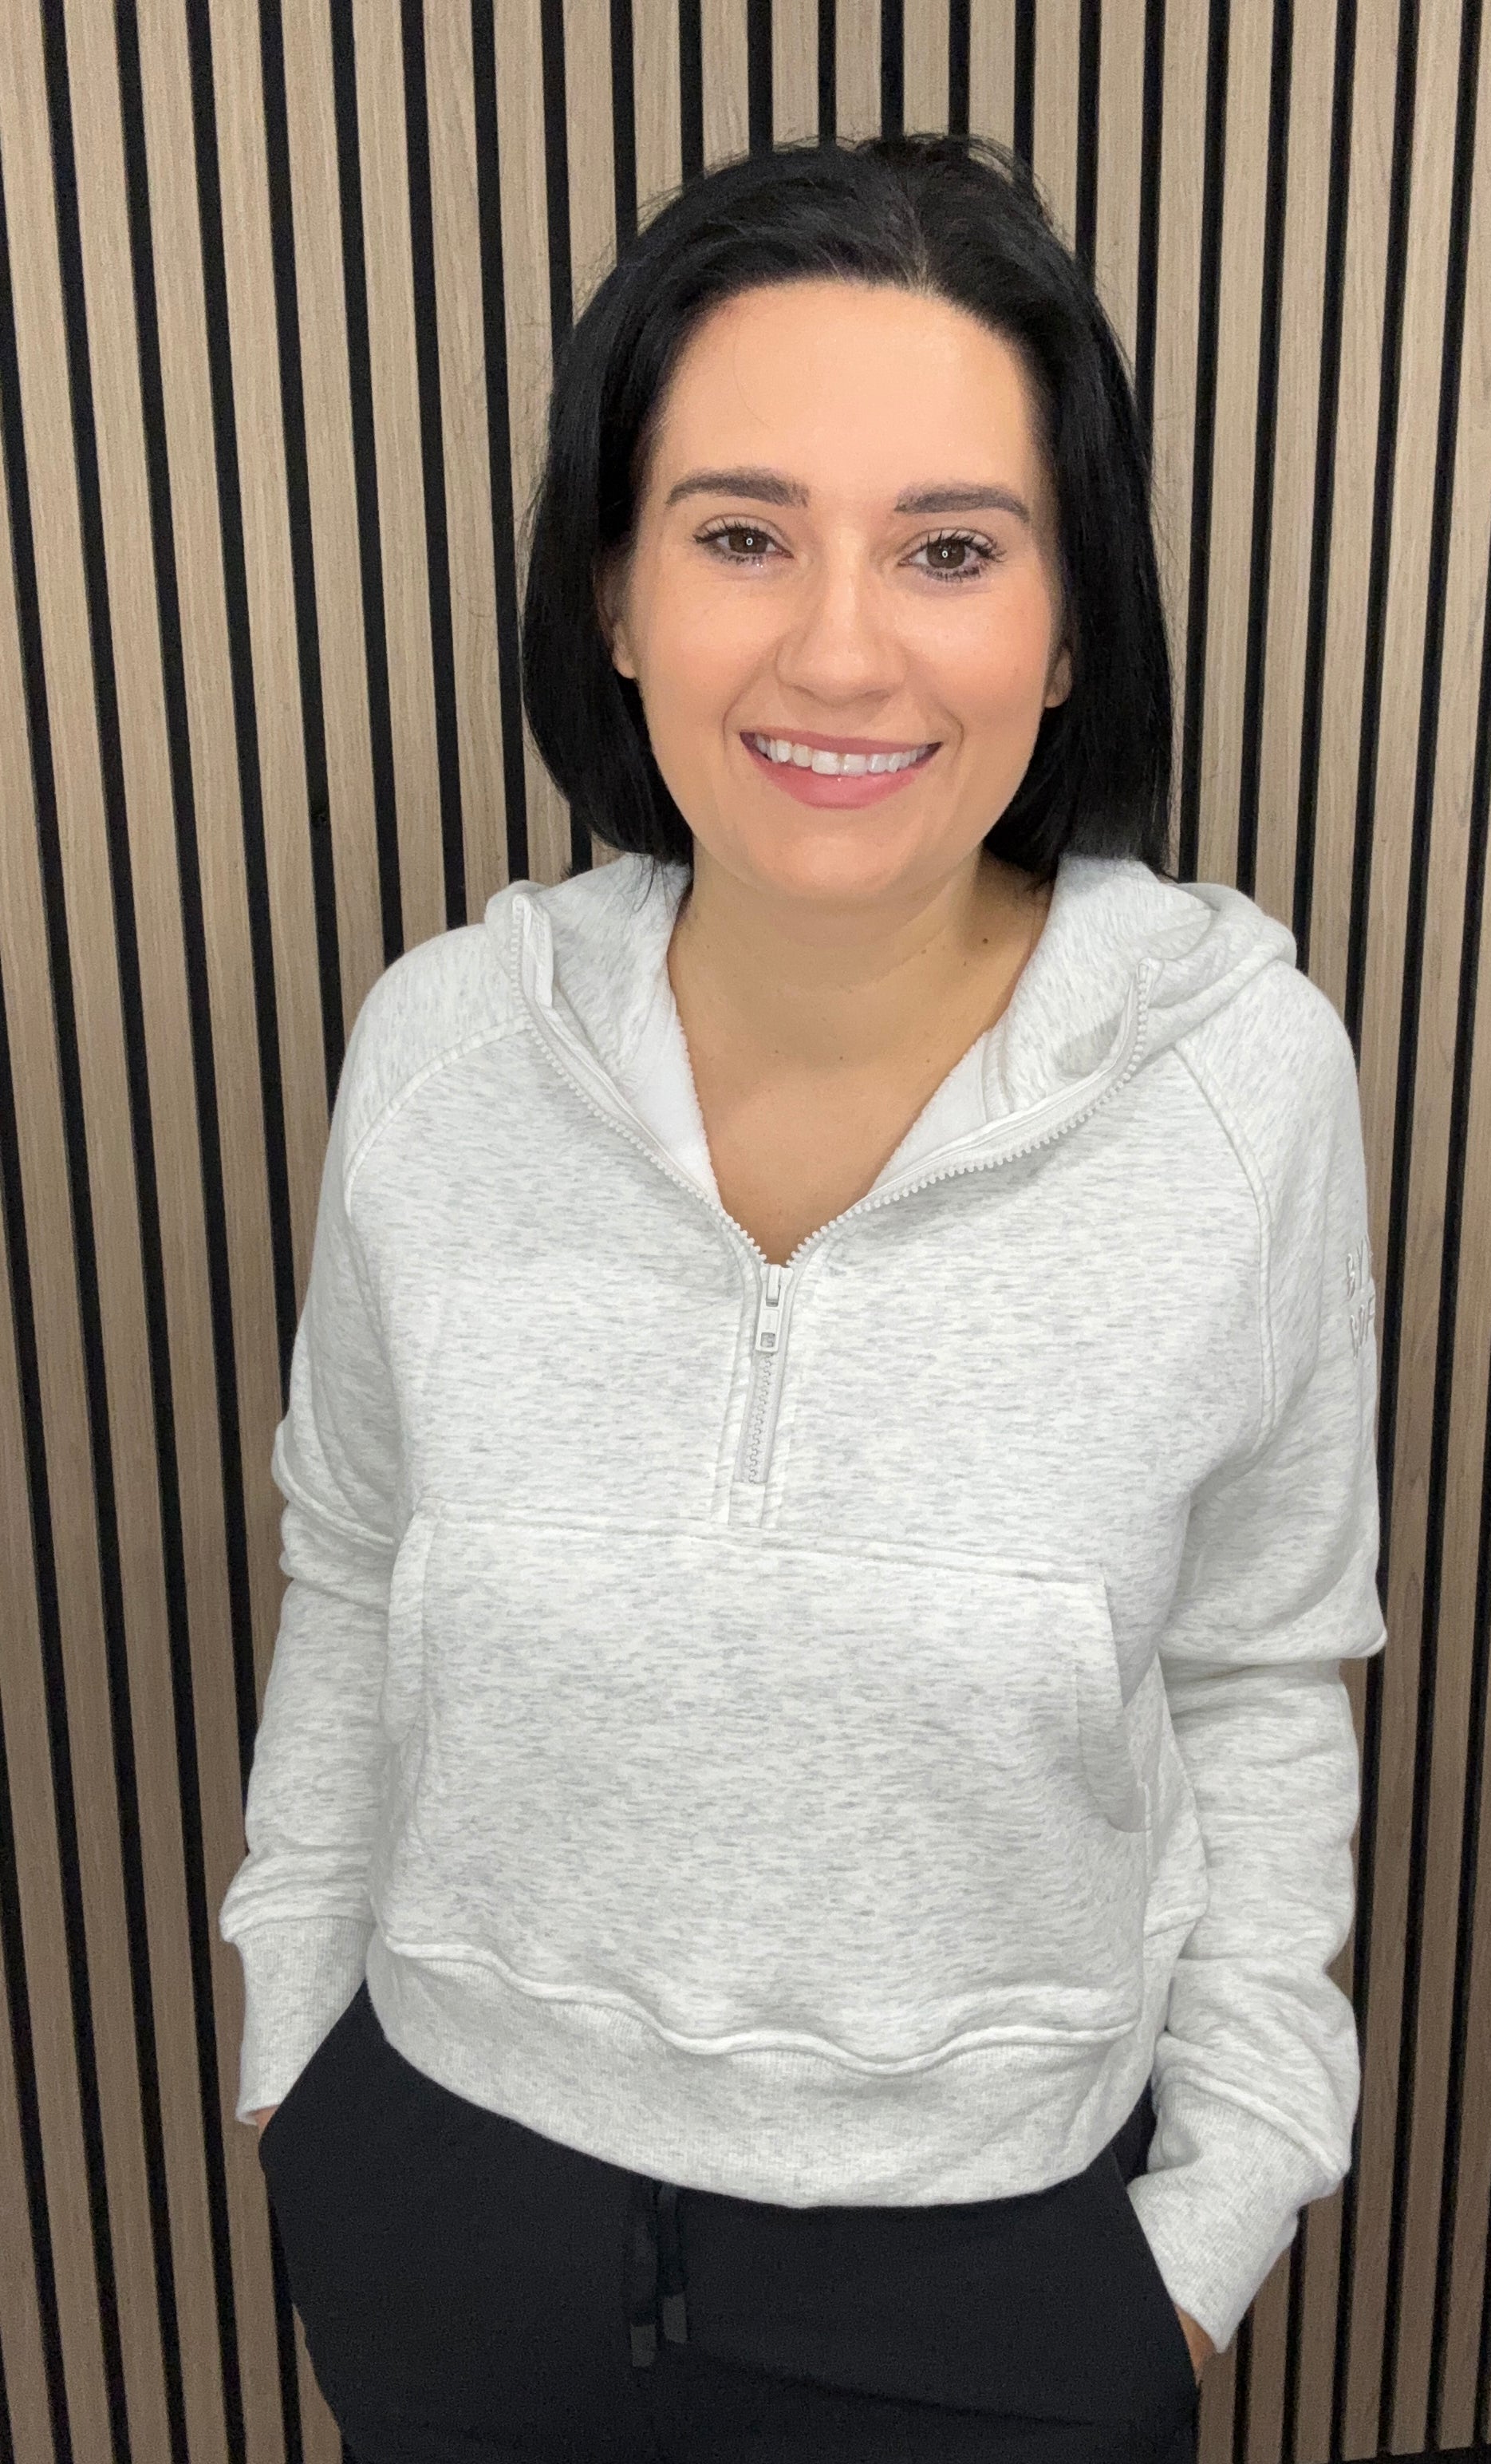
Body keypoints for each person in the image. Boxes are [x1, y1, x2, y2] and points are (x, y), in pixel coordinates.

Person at [219, 130, 1386, 2464]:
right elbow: (348, 1567)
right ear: (614, 594)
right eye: (740, 534)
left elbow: (1262, 1660)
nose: (840, 649)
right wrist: (295, 2069)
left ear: (1069, 625)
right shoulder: (441, 1047)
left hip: (1003, 2277)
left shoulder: (1241, 1080)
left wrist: (1211, 2220)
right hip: (452, 2213)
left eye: (950, 550)